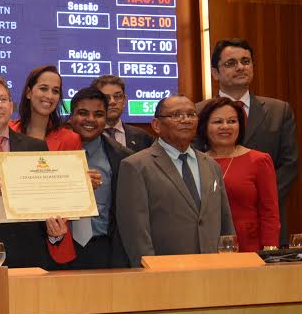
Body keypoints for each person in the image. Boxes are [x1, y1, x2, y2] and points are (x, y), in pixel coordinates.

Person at [0, 75, 75, 269]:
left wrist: (55, 233)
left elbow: (46, 205)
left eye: (4, 99)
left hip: (31, 259)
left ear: (11, 107)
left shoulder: (36, 148)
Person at [197, 38, 297, 242]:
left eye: (245, 61)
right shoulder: (198, 112)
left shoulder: (279, 110)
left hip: (266, 221)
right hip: (212, 222)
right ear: (215, 73)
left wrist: (261, 199)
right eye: (230, 63)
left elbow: (290, 164)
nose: (240, 67)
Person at [116, 95, 235, 266]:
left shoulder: (211, 165)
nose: (185, 120)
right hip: (166, 272)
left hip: (213, 268)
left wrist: (229, 260)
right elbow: (135, 232)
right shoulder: (136, 166)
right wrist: (149, 270)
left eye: (191, 114)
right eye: (176, 115)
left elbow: (225, 221)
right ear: (156, 125)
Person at [198, 96, 279, 251]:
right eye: (217, 122)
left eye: (232, 121)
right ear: (205, 127)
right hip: (207, 245)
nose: (225, 126)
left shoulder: (259, 160)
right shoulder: (197, 161)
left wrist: (270, 248)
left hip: (249, 246)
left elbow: (270, 211)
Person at [64, 87, 133, 269]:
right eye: (83, 113)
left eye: (99, 114)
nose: (91, 120)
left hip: (104, 248)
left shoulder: (122, 157)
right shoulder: (50, 149)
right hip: (60, 247)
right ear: (70, 117)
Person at [10, 65, 80, 151]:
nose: (49, 96)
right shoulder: (8, 132)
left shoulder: (70, 140)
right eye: (43, 89)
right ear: (28, 92)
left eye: (55, 91)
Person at [91, 74, 154, 152]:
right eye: (106, 98)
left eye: (117, 96)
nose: (112, 102)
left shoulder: (144, 138)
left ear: (124, 100)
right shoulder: (86, 136)